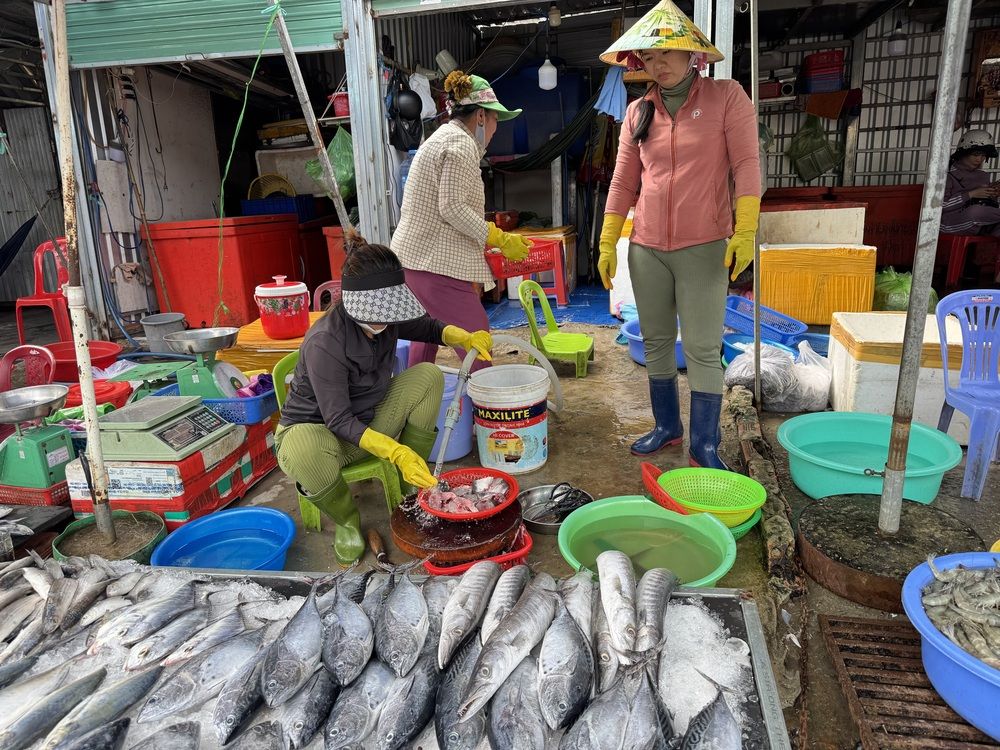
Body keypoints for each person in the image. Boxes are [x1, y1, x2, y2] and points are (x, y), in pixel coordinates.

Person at [596, 0, 761, 469]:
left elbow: (748, 166)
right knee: (656, 342)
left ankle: (704, 445)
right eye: (649, 56)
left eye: (668, 52)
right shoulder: (636, 113)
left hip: (705, 247)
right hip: (647, 248)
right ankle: (668, 427)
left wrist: (745, 228)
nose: (659, 64)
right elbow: (624, 181)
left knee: (705, 348)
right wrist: (609, 240)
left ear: (693, 53)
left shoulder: (727, 97)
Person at [275, 232, 492, 564]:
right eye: (384, 314)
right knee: (301, 446)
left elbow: (427, 327)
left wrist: (458, 334)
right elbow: (338, 419)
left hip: (368, 421)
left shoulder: (383, 318)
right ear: (357, 307)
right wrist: (395, 451)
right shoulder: (325, 343)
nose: (390, 320)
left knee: (429, 376)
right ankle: (347, 520)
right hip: (323, 436)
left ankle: (410, 488)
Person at [391, 70, 532, 372]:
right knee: (476, 335)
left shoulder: (443, 137)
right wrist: (498, 238)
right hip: (432, 263)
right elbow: (452, 207)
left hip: (413, 260)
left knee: (425, 335)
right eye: (495, 120)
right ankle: (490, 411)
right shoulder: (461, 144)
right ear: (481, 116)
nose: (496, 130)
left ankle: (415, 408)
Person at [942, 129, 1000, 237]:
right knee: (975, 211)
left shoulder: (983, 176)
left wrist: (993, 193)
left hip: (980, 224)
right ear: (964, 153)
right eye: (976, 155)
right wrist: (971, 194)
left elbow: (987, 208)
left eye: (983, 156)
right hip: (949, 223)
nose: (979, 159)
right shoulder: (946, 175)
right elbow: (940, 206)